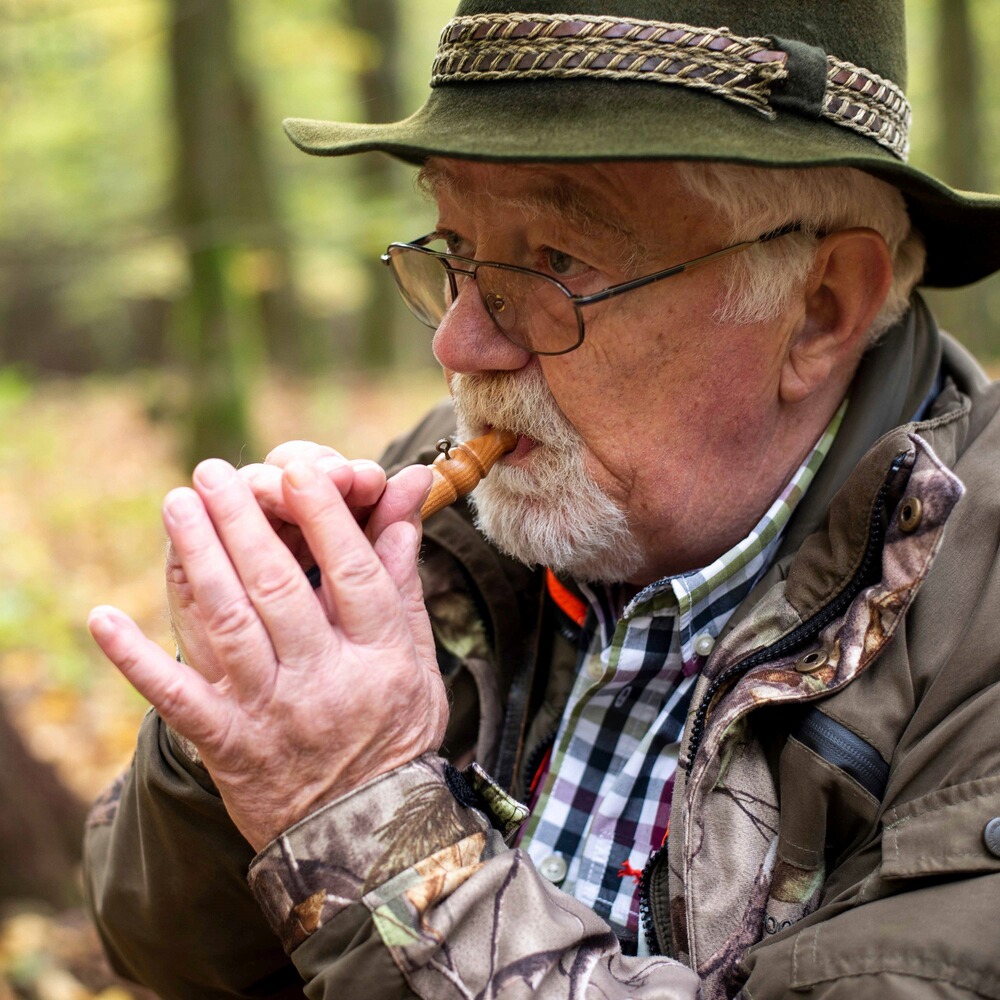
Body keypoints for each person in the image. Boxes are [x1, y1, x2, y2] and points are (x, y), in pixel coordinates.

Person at [83, 2, 1000, 998]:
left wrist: (361, 818)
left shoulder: (974, 621)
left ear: (819, 308)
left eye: (556, 262)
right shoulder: (459, 505)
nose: (460, 345)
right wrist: (255, 699)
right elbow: (170, 955)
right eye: (457, 248)